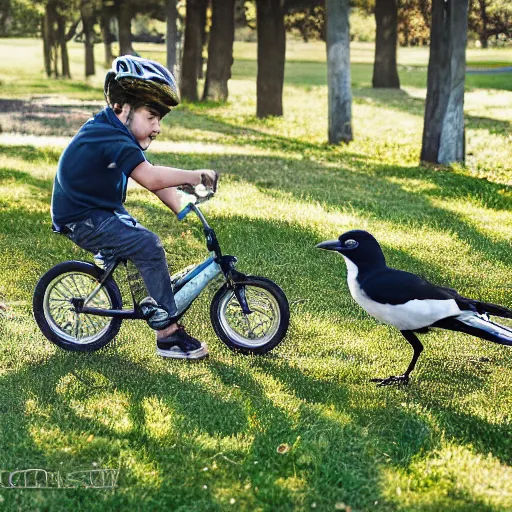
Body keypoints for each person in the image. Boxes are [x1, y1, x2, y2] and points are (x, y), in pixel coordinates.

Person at [51, 55, 218, 360]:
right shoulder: (109, 136)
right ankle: (167, 335)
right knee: (147, 244)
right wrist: (196, 176)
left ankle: (151, 302)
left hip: (100, 210)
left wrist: (183, 206)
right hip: (82, 217)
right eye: (151, 116)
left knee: (140, 245)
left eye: (160, 120)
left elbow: (152, 177)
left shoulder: (114, 131)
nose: (157, 128)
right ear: (123, 108)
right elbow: (152, 178)